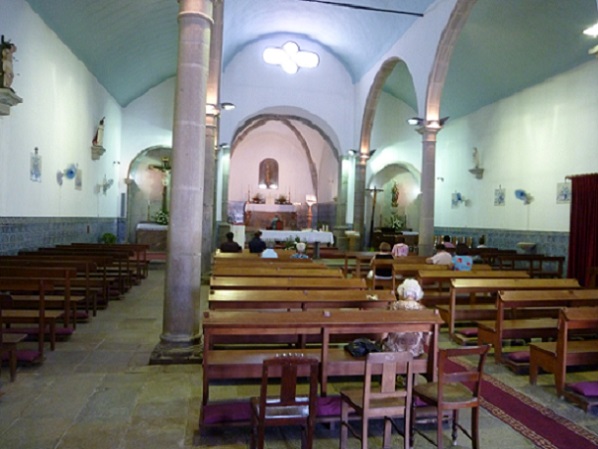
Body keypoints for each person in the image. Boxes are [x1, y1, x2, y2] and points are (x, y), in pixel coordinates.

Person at [383, 278, 426, 357]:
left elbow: (386, 327)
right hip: (414, 349)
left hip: (395, 349)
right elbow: (426, 336)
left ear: (402, 292)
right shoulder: (421, 309)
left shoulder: (395, 306)